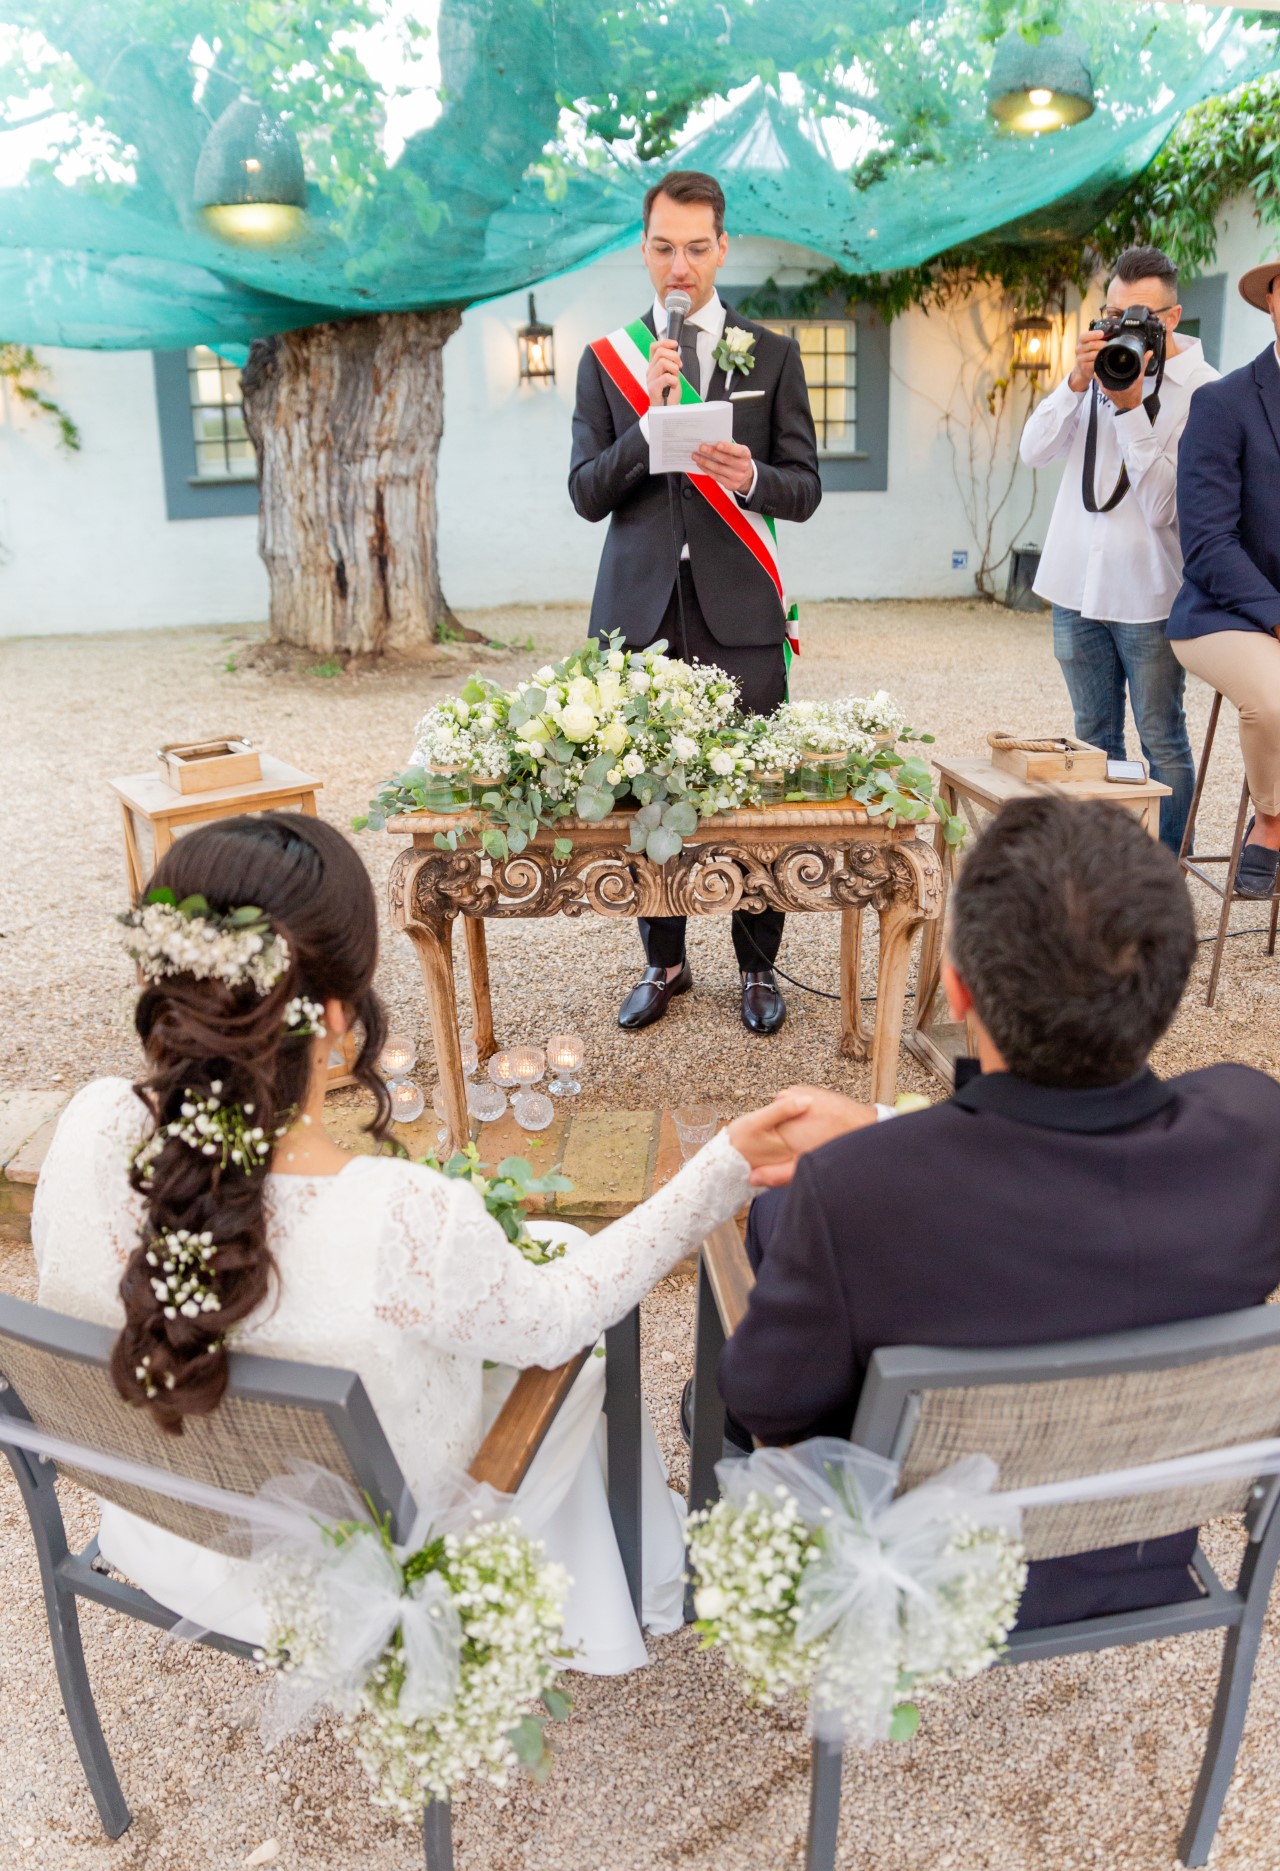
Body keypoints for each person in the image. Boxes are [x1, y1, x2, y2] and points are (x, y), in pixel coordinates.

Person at [31, 813, 816, 1675]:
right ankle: (620, 1587)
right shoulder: (399, 1217)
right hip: (370, 1575)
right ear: (338, 1017)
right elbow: (561, 1318)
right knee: (579, 1356)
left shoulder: (90, 1129)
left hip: (165, 1526)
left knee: (523, 1279)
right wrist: (723, 1165)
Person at [720, 795, 1280, 1630]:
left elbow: (767, 1404)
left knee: (768, 1234)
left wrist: (879, 1148)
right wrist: (887, 1131)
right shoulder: (1257, 1128)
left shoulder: (854, 1194)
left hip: (922, 1569)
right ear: (1168, 985)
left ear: (958, 989)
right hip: (1140, 1543)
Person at [569, 167, 821, 1037]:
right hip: (639, 611)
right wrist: (645, 427)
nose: (680, 267)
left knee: (752, 791)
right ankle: (665, 962)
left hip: (739, 605)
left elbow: (805, 488)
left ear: (722, 249)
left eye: (697, 248)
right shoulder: (607, 361)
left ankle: (756, 966)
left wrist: (751, 476)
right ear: (644, 250)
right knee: (647, 794)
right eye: (664, 248)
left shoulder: (773, 353)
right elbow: (586, 493)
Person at [1020, 246, 1218, 855]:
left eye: (1140, 317)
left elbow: (1164, 507)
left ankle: (1164, 870)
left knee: (1162, 739)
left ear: (1172, 317)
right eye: (1112, 314)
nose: (1123, 327)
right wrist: (1077, 382)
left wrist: (1131, 411)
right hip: (1074, 585)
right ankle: (1105, 874)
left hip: (1148, 594)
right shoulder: (1095, 370)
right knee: (1092, 739)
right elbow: (1033, 451)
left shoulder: (1205, 391)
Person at [1169, 256, 1280, 898]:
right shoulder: (1221, 402)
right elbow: (1208, 544)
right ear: (1271, 302)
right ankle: (1270, 824)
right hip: (1221, 612)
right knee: (1274, 699)